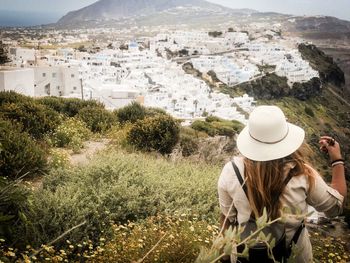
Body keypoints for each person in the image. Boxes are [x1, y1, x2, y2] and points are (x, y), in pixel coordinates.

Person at [218, 105, 347, 263]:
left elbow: (227, 221)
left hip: (244, 258)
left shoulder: (231, 171)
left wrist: (223, 256)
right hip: (294, 258)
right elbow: (335, 207)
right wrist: (337, 160)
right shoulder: (302, 174)